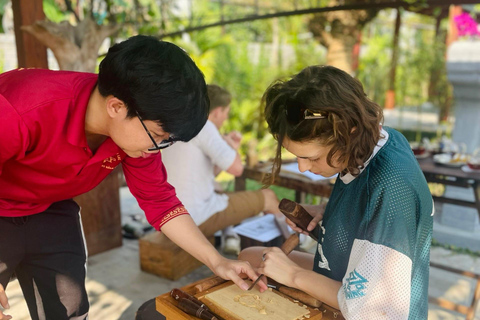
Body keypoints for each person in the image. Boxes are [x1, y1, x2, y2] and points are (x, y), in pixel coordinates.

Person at [0, 35, 266, 320]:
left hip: (51, 206)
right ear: (116, 107)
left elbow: (161, 203)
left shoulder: (137, 132)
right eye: (159, 136)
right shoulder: (20, 109)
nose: (158, 147)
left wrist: (217, 261)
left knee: (70, 310)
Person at [239, 65, 434, 319]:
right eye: (296, 156)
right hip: (349, 267)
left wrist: (293, 275)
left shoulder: (391, 189)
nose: (302, 166)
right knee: (250, 258)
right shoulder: (379, 139)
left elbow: (371, 310)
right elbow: (363, 210)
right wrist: (326, 212)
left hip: (370, 303)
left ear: (348, 134)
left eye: (312, 157)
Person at [161, 84, 282, 255]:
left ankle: (230, 236)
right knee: (269, 197)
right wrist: (233, 147)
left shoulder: (179, 123)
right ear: (217, 112)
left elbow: (210, 174)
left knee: (219, 189)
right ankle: (298, 240)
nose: (225, 118)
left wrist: (226, 145)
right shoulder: (204, 126)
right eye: (226, 113)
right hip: (192, 219)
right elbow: (237, 169)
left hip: (170, 215)